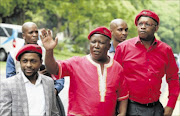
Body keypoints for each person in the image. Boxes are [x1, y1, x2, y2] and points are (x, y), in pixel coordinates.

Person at [40, 26, 129, 116]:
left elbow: (123, 95)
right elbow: (53, 69)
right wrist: (49, 50)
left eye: (101, 43)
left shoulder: (117, 68)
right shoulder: (76, 63)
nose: (96, 46)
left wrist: (122, 113)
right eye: (93, 42)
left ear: (109, 46)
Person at [114, 9, 180, 116]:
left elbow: (173, 78)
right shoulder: (123, 48)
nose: (143, 27)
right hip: (130, 108)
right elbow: (114, 79)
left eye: (148, 24)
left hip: (156, 109)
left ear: (156, 28)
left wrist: (170, 106)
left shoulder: (166, 50)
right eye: (140, 24)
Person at [5, 22, 64, 95]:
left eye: (36, 32)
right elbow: (10, 80)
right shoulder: (13, 54)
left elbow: (59, 76)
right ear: (24, 36)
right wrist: (34, 77)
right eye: (31, 32)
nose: (35, 35)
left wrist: (54, 91)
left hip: (46, 95)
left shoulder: (46, 52)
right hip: (23, 96)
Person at [0, 44, 59, 116]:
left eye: (33, 61)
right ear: (20, 62)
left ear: (41, 62)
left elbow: (53, 112)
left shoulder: (49, 82)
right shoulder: (8, 84)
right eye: (24, 61)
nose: (28, 65)